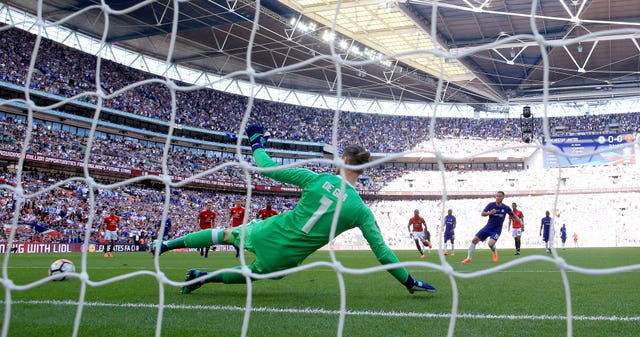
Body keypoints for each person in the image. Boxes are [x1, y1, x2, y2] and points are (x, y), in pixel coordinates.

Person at [152, 124, 436, 295]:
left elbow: (266, 167)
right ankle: (203, 276)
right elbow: (382, 253)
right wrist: (409, 281)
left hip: (270, 230)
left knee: (225, 235)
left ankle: (166, 244)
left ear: (343, 161)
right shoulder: (361, 211)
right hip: (286, 255)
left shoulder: (315, 179)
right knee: (256, 274)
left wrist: (256, 141)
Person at [462, 191, 521, 264]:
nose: (498, 197)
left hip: (497, 229)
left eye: (499, 196)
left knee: (490, 244)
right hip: (488, 227)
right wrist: (490, 213)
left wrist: (521, 222)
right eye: (497, 196)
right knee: (474, 240)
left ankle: (495, 253)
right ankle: (469, 258)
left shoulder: (506, 208)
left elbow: (513, 215)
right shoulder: (491, 205)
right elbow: (482, 213)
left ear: (503, 197)